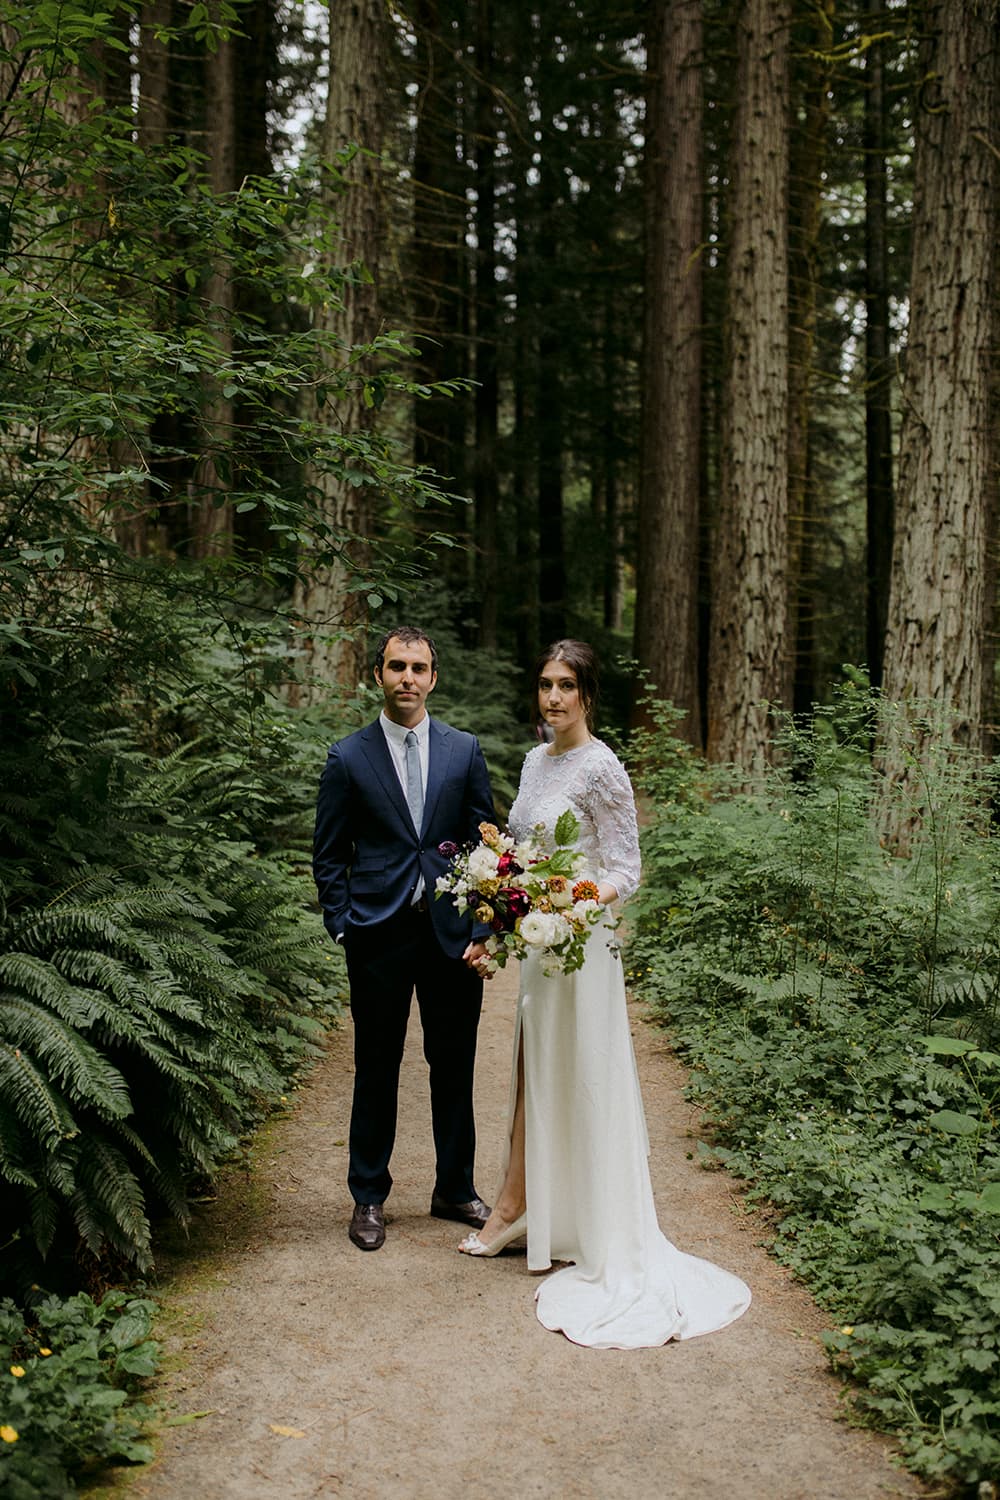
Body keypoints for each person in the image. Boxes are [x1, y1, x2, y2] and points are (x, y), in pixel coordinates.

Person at [457, 640, 752, 1349]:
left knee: (583, 1076)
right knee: (534, 1073)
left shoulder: (602, 766)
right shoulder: (534, 762)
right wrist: (499, 924)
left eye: (566, 686)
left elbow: (627, 866)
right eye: (545, 684)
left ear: (588, 694)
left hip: (583, 949)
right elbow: (518, 860)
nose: (553, 698)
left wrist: (576, 906)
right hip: (537, 947)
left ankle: (569, 1219)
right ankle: (521, 1206)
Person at [313, 626, 496, 1252]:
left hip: (450, 934)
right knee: (376, 1065)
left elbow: (486, 848)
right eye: (397, 667)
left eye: (419, 668)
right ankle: (368, 1196)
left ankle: (455, 1187)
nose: (408, 678)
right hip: (378, 933)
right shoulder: (348, 757)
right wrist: (343, 923)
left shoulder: (463, 750)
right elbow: (329, 853)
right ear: (378, 675)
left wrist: (482, 928)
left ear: (434, 678)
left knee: (453, 1064)